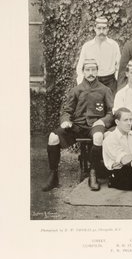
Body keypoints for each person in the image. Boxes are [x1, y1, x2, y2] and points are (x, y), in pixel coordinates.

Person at [42, 59, 114, 192]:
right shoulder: (76, 90)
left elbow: (111, 112)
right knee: (53, 137)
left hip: (95, 125)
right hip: (78, 125)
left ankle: (93, 174)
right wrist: (65, 121)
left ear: (97, 71)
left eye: (93, 70)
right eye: (88, 70)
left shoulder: (105, 90)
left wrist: (103, 121)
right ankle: (53, 175)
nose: (91, 73)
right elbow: (67, 110)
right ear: (83, 72)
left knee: (98, 136)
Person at [76, 17, 121, 95]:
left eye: (104, 28)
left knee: (111, 106)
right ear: (95, 29)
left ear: (108, 29)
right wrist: (82, 85)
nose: (101, 31)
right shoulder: (87, 46)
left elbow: (119, 67)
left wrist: (118, 84)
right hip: (92, 82)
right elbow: (80, 68)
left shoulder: (114, 45)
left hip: (110, 83)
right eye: (99, 28)